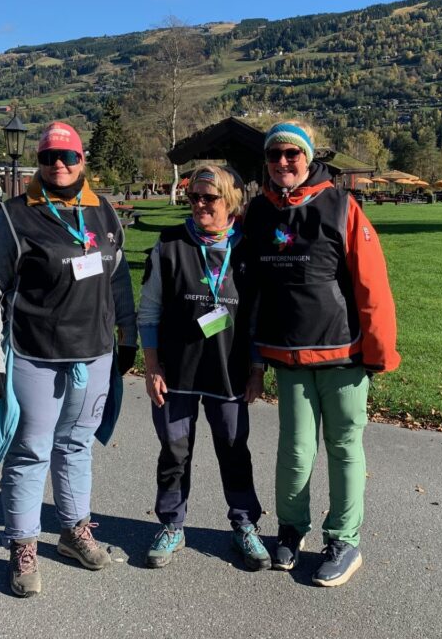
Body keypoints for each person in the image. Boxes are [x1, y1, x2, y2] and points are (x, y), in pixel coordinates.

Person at [0, 120, 138, 598]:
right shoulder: (15, 216)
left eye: (68, 157)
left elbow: (118, 280)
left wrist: (126, 336)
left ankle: (72, 531)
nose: (59, 165)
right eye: (49, 157)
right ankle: (22, 544)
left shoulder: (104, 211)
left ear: (83, 160)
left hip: (96, 353)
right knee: (30, 450)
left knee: (77, 445)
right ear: (38, 163)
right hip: (34, 353)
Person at [244, 120, 400, 588]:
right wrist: (252, 357)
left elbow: (372, 285)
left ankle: (343, 540)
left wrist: (378, 352)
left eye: (293, 154)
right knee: (294, 451)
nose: (283, 163)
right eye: (275, 156)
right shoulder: (257, 212)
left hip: (344, 356)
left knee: (344, 447)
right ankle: (291, 530)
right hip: (287, 357)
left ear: (308, 158)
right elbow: (248, 290)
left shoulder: (341, 205)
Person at [138, 165, 269, 571]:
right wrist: (152, 365)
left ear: (230, 202)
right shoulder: (170, 244)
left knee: (233, 449)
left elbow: (256, 319)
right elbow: (150, 310)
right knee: (174, 451)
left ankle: (245, 525)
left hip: (228, 373)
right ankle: (172, 524)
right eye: (193, 196)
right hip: (177, 373)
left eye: (208, 198)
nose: (198, 204)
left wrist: (257, 369)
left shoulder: (248, 248)